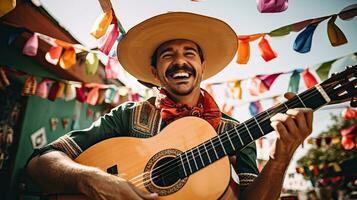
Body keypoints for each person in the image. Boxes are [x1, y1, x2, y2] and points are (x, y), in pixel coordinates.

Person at [26, 12, 313, 200]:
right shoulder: (129, 115)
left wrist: (280, 157)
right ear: (154, 72)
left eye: (189, 53)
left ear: (202, 66)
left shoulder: (232, 130)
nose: (179, 61)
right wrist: (90, 179)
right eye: (167, 55)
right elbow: (41, 161)